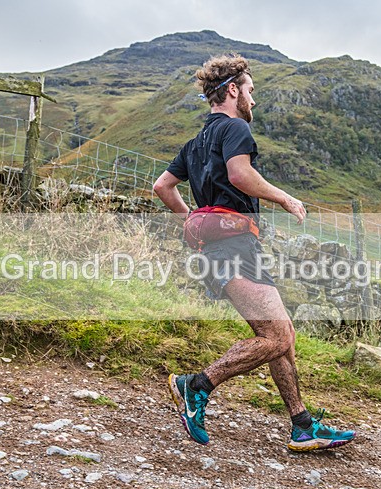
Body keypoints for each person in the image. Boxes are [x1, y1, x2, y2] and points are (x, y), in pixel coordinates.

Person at [152, 53, 355, 452]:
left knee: (282, 335)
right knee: (276, 335)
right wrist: (285, 198)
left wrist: (193, 219)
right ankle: (194, 385)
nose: (253, 101)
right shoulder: (236, 129)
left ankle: (302, 425)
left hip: (218, 247)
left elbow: (163, 186)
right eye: (250, 91)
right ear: (232, 91)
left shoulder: (195, 143)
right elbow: (239, 175)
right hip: (235, 246)